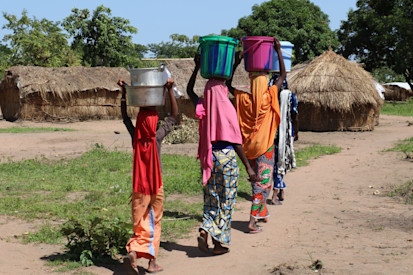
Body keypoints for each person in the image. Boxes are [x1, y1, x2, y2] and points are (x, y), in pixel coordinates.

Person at [187, 55, 256, 255]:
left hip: (208, 157)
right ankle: (218, 244)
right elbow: (235, 140)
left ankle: (204, 229)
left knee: (211, 198)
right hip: (226, 157)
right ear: (223, 91)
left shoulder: (202, 104)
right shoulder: (227, 107)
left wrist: (197, 67)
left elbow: (189, 90)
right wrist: (249, 168)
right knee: (226, 200)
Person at [118, 77, 178, 274]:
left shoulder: (135, 137)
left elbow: (125, 118)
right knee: (155, 221)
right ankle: (149, 262)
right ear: (153, 124)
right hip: (156, 185)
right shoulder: (157, 137)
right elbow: (173, 116)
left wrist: (124, 94)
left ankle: (135, 254)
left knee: (141, 222)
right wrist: (169, 90)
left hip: (139, 187)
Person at [226, 38, 286, 233]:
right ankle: (252, 222)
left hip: (248, 148)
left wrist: (236, 62)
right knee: (262, 184)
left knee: (257, 181)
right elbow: (282, 75)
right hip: (265, 147)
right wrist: (277, 51)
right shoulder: (269, 95)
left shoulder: (243, 98)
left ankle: (263, 213)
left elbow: (227, 83)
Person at [268, 77, 299, 205]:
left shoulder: (269, 95)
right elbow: (295, 115)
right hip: (285, 134)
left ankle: (280, 190)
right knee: (280, 162)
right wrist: (296, 131)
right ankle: (276, 193)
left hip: (271, 133)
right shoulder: (290, 96)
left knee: (278, 162)